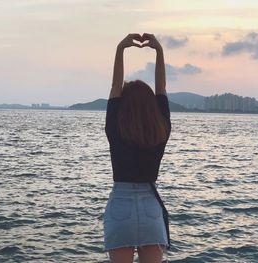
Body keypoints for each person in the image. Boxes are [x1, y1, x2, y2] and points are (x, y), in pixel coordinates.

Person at [103, 33, 171, 263]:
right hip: (150, 208)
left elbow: (115, 85)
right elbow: (161, 86)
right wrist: (159, 51)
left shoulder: (115, 128)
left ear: (124, 106)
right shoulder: (160, 129)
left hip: (120, 206)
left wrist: (120, 49)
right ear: (152, 106)